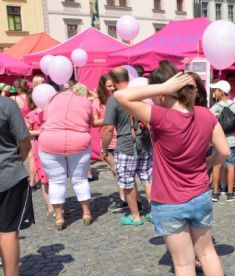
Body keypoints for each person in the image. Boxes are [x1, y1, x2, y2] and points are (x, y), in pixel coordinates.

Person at [114, 65, 235, 276]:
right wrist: (207, 164)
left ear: (168, 90)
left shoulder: (161, 117)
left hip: (169, 201)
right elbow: (225, 151)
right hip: (200, 195)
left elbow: (121, 97)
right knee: (207, 253)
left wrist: (162, 88)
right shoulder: (205, 114)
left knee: (182, 264)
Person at [0, 96, 43, 276]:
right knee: (8, 231)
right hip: (6, 176)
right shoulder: (5, 105)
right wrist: (23, 164)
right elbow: (24, 141)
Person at [102, 67, 153, 225]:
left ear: (114, 81)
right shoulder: (139, 93)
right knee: (148, 178)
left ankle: (135, 216)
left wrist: (104, 149)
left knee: (127, 180)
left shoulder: (114, 98)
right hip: (145, 141)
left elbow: (108, 128)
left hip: (125, 144)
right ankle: (154, 213)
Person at [38, 86, 94, 230]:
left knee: (56, 181)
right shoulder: (86, 102)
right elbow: (90, 123)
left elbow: (45, 118)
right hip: (79, 141)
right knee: (80, 179)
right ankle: (86, 213)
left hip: (50, 141)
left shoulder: (52, 99)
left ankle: (59, 218)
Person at [210, 80, 235, 202]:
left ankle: (215, 193)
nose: (214, 92)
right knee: (231, 167)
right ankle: (230, 194)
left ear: (221, 92)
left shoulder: (216, 106)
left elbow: (207, 120)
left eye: (216, 90)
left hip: (218, 142)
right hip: (232, 141)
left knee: (216, 166)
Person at [94, 74, 125, 206]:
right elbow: (93, 122)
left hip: (123, 138)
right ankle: (124, 199)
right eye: (109, 86)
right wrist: (111, 118)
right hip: (108, 140)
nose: (112, 88)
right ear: (103, 87)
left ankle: (127, 199)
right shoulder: (97, 102)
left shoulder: (120, 97)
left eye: (114, 85)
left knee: (122, 172)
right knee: (116, 171)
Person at [25, 98, 52, 217]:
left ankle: (58, 205)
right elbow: (24, 131)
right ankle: (51, 207)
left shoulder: (52, 111)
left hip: (53, 147)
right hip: (40, 148)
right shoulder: (32, 114)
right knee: (44, 180)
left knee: (56, 179)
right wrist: (39, 132)